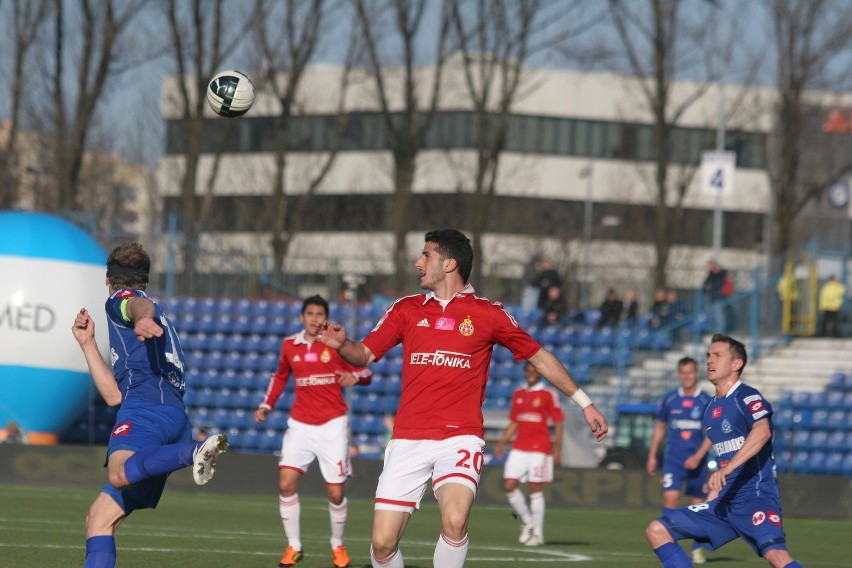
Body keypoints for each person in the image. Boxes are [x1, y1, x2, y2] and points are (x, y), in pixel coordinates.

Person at [315, 228, 608, 568]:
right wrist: (342, 345)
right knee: (382, 544)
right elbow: (363, 354)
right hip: (408, 437)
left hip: (459, 437)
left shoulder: (488, 314)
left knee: (455, 522)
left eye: (426, 256)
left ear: (449, 264)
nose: (418, 262)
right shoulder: (406, 310)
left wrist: (584, 402)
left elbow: (539, 356)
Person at [71, 242, 228, 568]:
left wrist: (141, 318)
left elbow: (136, 307)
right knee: (99, 519)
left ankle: (194, 453)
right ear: (145, 279)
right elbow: (114, 396)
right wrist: (87, 345)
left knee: (117, 473)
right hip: (170, 416)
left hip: (147, 410)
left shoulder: (121, 300)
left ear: (108, 279)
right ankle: (189, 450)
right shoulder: (158, 311)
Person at [645, 334, 803, 568]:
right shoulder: (710, 408)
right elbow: (724, 457)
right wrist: (714, 492)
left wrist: (728, 468)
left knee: (777, 557)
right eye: (708, 355)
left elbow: (762, 432)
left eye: (717, 355)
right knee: (657, 530)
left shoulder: (746, 396)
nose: (709, 360)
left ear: (736, 364)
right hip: (724, 503)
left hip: (755, 499)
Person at [255, 294, 372, 568]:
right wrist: (266, 404)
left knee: (335, 493)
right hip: (300, 425)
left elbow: (366, 371)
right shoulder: (289, 346)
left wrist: (355, 377)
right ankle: (293, 547)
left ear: (326, 318)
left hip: (332, 425)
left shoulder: (336, 344)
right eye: (310, 314)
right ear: (302, 317)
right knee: (285, 484)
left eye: (320, 314)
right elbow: (280, 376)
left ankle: (337, 545)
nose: (315, 319)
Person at [646, 357, 713, 564]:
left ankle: (698, 548)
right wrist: (652, 456)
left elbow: (712, 432)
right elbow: (660, 427)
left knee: (697, 505)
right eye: (683, 372)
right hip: (673, 460)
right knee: (671, 500)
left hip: (698, 461)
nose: (686, 376)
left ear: (697, 373)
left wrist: (698, 456)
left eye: (690, 372)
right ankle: (667, 544)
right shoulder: (670, 399)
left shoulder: (706, 400)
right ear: (679, 374)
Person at [494, 362, 564, 547]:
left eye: (535, 370)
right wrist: (502, 443)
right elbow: (514, 421)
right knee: (509, 485)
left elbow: (558, 422)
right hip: (519, 447)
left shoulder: (548, 394)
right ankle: (527, 520)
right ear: (525, 372)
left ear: (540, 373)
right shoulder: (518, 393)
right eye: (529, 370)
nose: (531, 373)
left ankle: (538, 534)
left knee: (535, 488)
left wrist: (558, 449)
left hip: (540, 448)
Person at [702, 260, 729, 332]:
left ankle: (719, 331)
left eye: (709, 266)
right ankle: (713, 330)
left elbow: (717, 285)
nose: (707, 268)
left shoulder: (721, 274)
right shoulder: (711, 275)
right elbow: (705, 285)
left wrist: (710, 286)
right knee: (711, 315)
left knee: (719, 315)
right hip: (711, 298)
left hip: (718, 298)